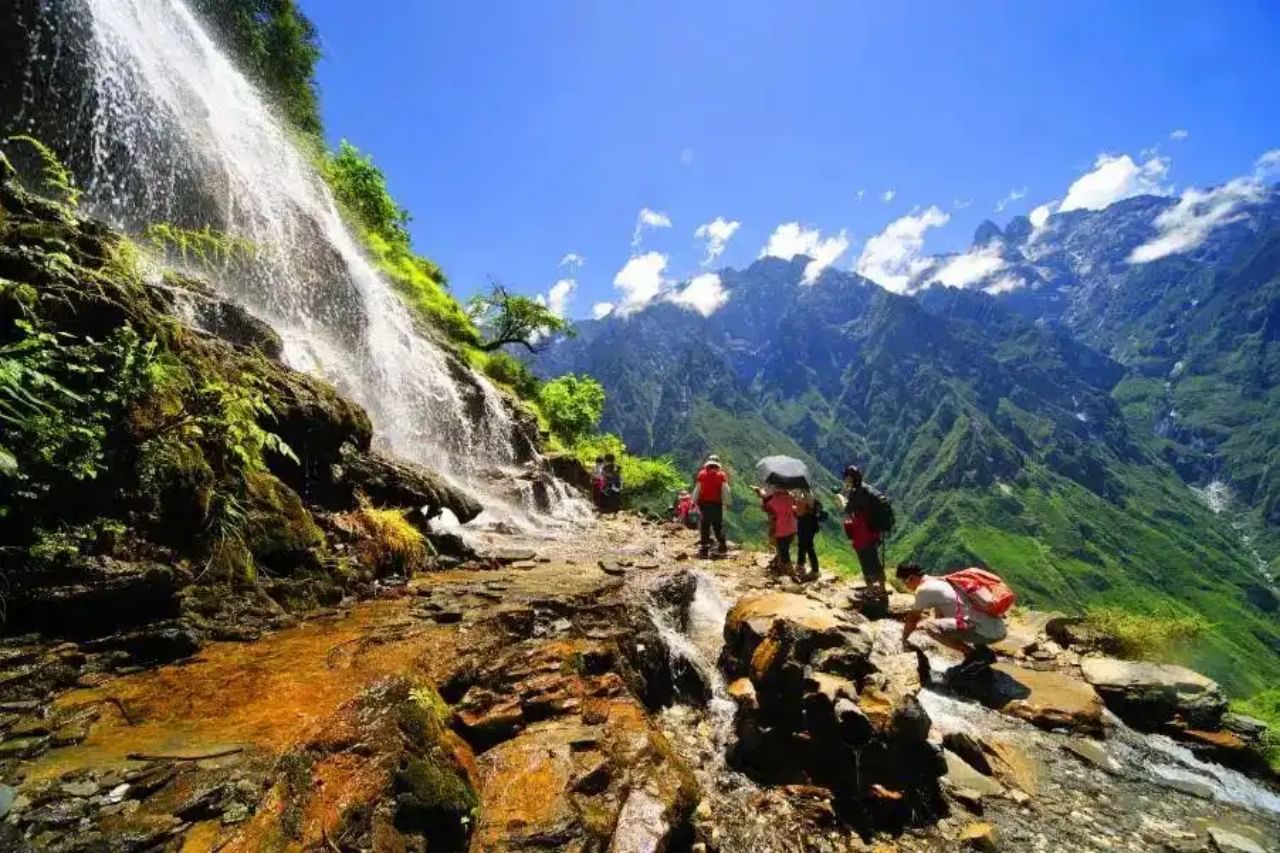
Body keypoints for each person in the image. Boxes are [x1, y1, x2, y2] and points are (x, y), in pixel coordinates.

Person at [896, 563, 1008, 673]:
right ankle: (984, 652)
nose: (905, 586)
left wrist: (904, 639)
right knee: (967, 619)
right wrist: (919, 626)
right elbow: (939, 616)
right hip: (999, 630)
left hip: (985, 633)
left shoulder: (924, 590)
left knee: (930, 627)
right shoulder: (943, 581)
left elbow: (913, 618)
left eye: (903, 582)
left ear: (911, 578)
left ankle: (974, 655)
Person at [837, 465, 889, 599]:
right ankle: (882, 588)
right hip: (873, 531)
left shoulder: (856, 492)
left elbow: (847, 509)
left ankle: (870, 590)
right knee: (875, 559)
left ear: (850, 478)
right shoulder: (867, 488)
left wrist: (841, 499)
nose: (845, 480)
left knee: (865, 560)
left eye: (847, 478)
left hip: (862, 532)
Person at [691, 455, 730, 558]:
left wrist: (693, 502)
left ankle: (704, 548)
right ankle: (722, 546)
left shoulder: (702, 474)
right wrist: (727, 503)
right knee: (718, 526)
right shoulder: (721, 475)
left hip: (704, 505)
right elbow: (725, 491)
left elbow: (697, 489)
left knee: (705, 526)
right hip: (717, 505)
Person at [756, 485, 797, 574]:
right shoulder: (791, 498)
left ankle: (789, 570)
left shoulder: (773, 502)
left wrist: (760, 493)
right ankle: (783, 566)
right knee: (785, 547)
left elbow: (765, 508)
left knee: (782, 549)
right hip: (792, 527)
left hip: (781, 529)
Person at [793, 490, 825, 580]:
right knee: (803, 545)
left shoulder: (804, 497)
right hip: (809, 523)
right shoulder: (809, 495)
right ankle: (801, 565)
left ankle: (814, 570)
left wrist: (794, 506)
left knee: (808, 547)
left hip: (805, 523)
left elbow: (800, 510)